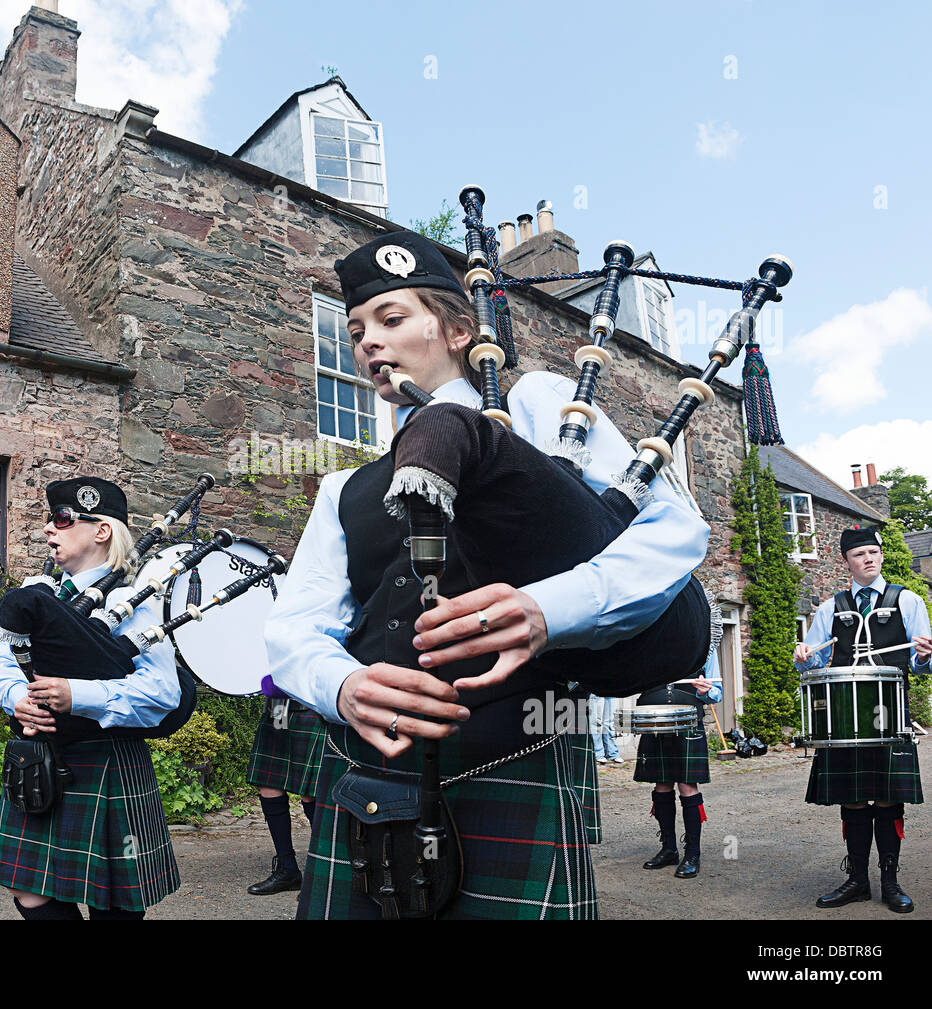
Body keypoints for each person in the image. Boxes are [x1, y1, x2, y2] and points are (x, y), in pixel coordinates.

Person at [265, 230, 710, 919]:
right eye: (356, 331)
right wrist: (343, 683)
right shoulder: (344, 489)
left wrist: (547, 608)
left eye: (391, 319)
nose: (368, 344)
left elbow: (672, 534)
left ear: (457, 329)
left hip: (514, 765)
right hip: (368, 787)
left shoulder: (539, 409)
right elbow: (295, 628)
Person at [0, 477, 181, 920]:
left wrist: (79, 695)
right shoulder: (40, 591)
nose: (49, 530)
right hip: (38, 757)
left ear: (101, 530)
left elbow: (163, 691)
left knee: (113, 899)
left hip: (104, 757)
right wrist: (15, 696)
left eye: (62, 520)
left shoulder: (133, 600)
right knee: (30, 891)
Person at [795, 526, 932, 913]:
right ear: (846, 561)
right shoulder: (829, 607)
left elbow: (924, 664)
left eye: (874, 551)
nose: (868, 558)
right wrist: (803, 654)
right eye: (859, 554)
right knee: (853, 800)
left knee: (889, 800)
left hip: (891, 715)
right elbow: (815, 659)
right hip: (844, 718)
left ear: (882, 556)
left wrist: (924, 655)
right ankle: (856, 880)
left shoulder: (907, 601)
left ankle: (890, 881)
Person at [634, 651, 722, 878]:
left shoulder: (705, 647)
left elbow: (717, 693)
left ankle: (693, 854)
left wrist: (707, 691)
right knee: (661, 785)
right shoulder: (649, 641)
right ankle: (669, 848)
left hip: (689, 722)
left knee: (687, 786)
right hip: (655, 720)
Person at [244, 678, 323, 894]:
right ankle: (287, 869)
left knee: (310, 792)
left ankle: (325, 871)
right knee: (270, 784)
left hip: (314, 706)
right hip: (279, 705)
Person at [588, 694, 624, 765]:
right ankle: (598, 753)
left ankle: (612, 752)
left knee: (610, 722)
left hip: (612, 687)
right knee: (596, 722)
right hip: (596, 687)